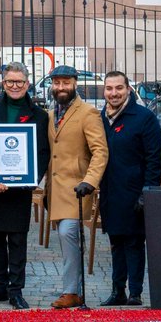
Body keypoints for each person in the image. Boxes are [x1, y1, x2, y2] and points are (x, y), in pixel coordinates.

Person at [0, 62, 50, 310]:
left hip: (20, 189)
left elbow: (43, 152)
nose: (14, 86)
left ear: (28, 84)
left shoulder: (40, 115)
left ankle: (15, 290)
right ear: (3, 83)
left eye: (19, 82)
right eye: (10, 81)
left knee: (18, 240)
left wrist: (30, 179)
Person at [46, 65, 109, 309]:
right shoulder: (51, 114)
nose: (61, 87)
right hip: (56, 189)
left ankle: (71, 290)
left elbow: (100, 151)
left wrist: (90, 181)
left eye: (66, 83)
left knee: (68, 234)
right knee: (66, 237)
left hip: (77, 189)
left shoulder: (88, 113)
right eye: (57, 83)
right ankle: (73, 289)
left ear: (75, 84)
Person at [98, 71, 161, 307]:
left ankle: (135, 292)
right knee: (116, 242)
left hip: (135, 192)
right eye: (109, 88)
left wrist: (148, 191)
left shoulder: (144, 117)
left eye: (118, 88)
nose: (113, 93)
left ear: (127, 89)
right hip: (110, 191)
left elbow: (155, 159)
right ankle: (118, 291)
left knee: (134, 243)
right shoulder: (101, 119)